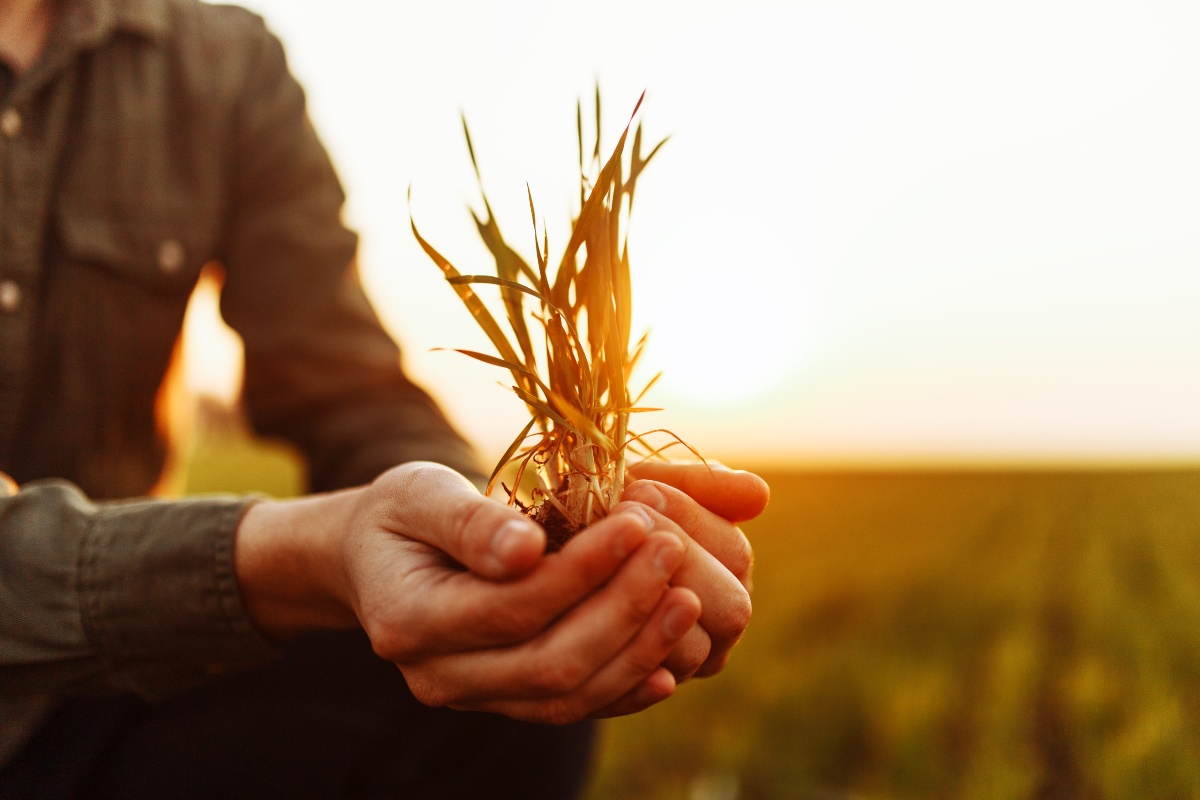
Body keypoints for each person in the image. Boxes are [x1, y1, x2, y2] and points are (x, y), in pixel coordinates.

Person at [0, 0, 769, 797]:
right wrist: (310, 552)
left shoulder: (218, 60)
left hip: (108, 698)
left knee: (507, 680)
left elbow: (342, 382)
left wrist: (483, 542)